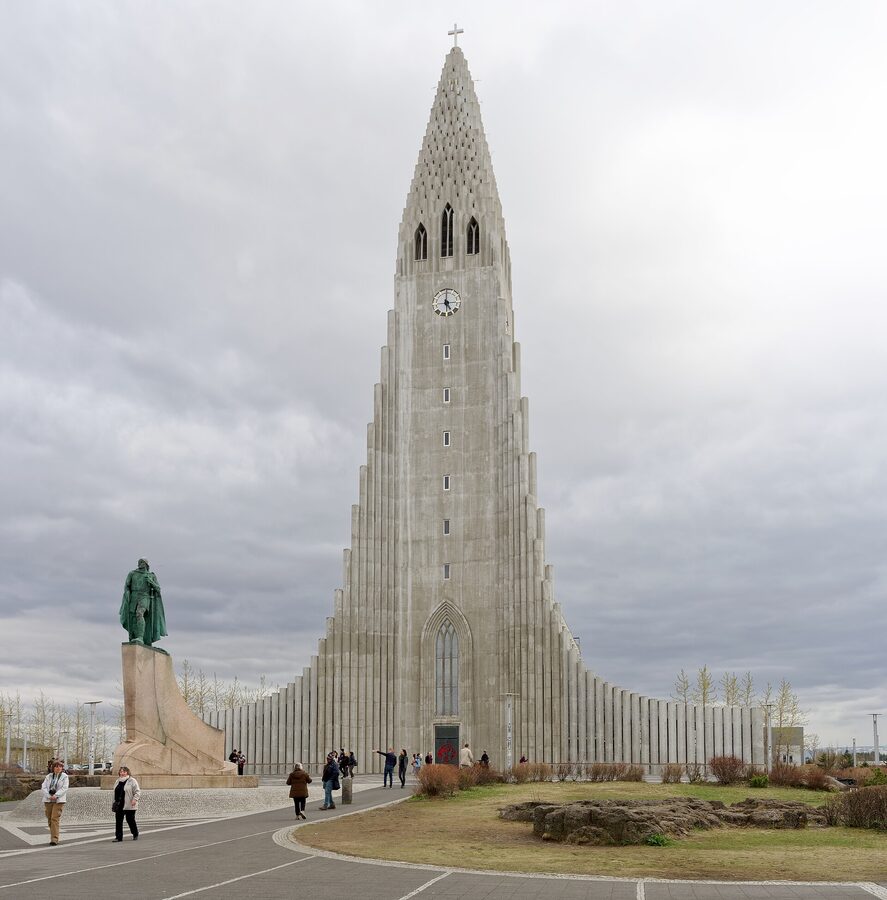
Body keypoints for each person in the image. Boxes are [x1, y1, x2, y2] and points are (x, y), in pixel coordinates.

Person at [119, 558, 168, 647]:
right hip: (134, 596)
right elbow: (127, 586)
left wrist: (152, 582)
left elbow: (158, 589)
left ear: (146, 564)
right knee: (133, 617)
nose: (141, 564)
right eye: (139, 562)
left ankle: (140, 637)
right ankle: (134, 636)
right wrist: (127, 594)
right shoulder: (132, 573)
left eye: (142, 562)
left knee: (139, 613)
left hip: (145, 596)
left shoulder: (151, 575)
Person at [41, 760, 69, 846]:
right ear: (53, 768)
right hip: (48, 799)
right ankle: (54, 834)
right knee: (49, 819)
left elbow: (64, 788)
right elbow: (43, 787)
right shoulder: (49, 776)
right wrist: (49, 795)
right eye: (56, 766)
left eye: (60, 767)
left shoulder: (64, 776)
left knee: (54, 818)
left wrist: (56, 795)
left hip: (59, 800)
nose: (58, 768)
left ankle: (54, 839)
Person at [112, 766, 140, 842]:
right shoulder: (117, 781)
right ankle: (118, 837)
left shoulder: (132, 780)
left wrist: (135, 799)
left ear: (127, 772)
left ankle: (135, 833)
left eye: (124, 772)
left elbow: (137, 791)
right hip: (119, 804)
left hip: (129, 804)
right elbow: (115, 792)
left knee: (130, 820)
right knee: (118, 821)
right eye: (121, 772)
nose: (122, 773)